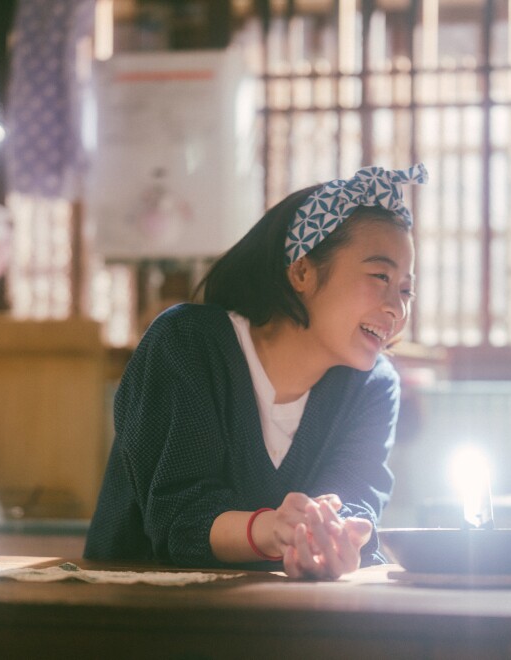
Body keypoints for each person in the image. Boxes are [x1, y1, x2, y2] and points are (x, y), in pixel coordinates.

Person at [84, 164, 428, 579]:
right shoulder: (187, 343)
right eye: (380, 276)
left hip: (285, 624)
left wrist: (334, 540)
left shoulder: (374, 386)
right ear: (302, 271)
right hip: (141, 617)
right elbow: (179, 519)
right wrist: (274, 531)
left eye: (406, 289)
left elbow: (353, 501)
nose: (397, 307)